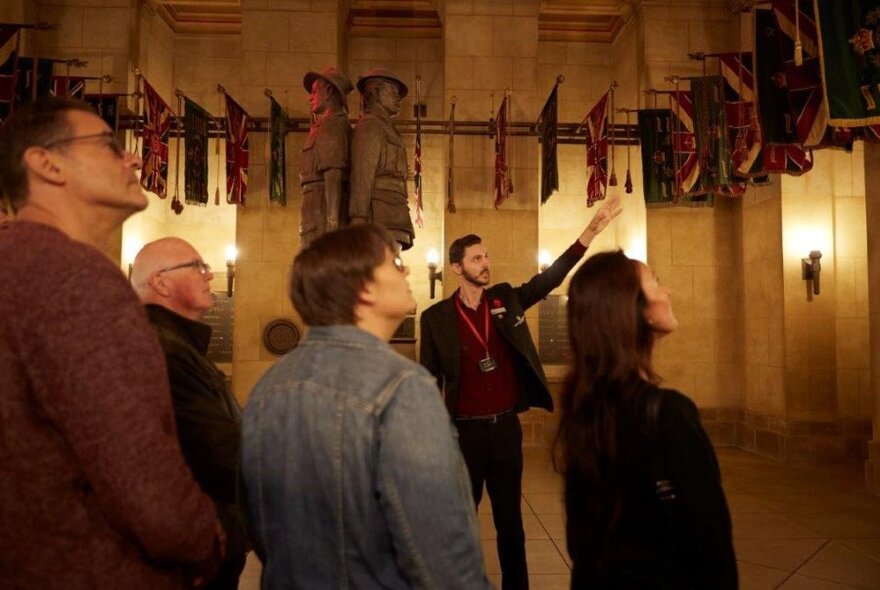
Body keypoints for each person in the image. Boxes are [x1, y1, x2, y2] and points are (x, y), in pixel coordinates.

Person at [0, 97, 223, 588]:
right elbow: (139, 472)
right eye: (107, 145)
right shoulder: (74, 277)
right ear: (46, 163)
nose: (134, 158)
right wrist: (207, 540)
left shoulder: (17, 263)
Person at [242, 223, 491, 589]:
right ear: (364, 290)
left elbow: (260, 527)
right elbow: (443, 557)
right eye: (394, 263)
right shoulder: (403, 388)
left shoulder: (268, 387)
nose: (406, 271)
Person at [419, 196, 622, 590]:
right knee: (460, 522)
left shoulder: (505, 298)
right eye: (476, 259)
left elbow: (551, 279)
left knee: (510, 523)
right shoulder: (437, 319)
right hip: (464, 435)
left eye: (487, 257)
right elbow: (428, 380)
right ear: (457, 267)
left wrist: (590, 232)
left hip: (505, 431)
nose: (485, 264)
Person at [555, 250, 737, 588]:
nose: (667, 292)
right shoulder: (668, 414)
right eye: (656, 283)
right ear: (632, 309)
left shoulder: (584, 411)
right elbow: (713, 550)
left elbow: (580, 543)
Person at [131, 237, 250, 590]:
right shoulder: (164, 349)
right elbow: (216, 454)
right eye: (197, 266)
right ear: (160, 282)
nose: (209, 275)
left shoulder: (176, 343)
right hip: (196, 544)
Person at [350, 68, 414, 250]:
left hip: (393, 214)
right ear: (374, 92)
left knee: (390, 270)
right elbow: (362, 174)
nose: (398, 98)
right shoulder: (370, 126)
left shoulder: (387, 129)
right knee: (380, 272)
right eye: (392, 92)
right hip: (378, 215)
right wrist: (358, 217)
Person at [300, 66, 354, 247]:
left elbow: (334, 177)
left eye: (315, 91)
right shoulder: (322, 125)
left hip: (322, 211)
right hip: (314, 210)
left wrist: (332, 227)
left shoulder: (333, 126)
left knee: (320, 269)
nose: (310, 97)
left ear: (329, 91)